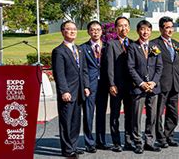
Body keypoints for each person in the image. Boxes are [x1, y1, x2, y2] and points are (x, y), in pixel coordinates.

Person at [52, 20, 90, 158]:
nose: (73, 31)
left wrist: (86, 86)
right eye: (69, 29)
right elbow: (59, 74)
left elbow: (84, 70)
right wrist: (64, 91)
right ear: (63, 32)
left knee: (75, 121)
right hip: (68, 93)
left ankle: (73, 146)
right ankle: (67, 150)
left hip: (79, 92)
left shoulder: (79, 49)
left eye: (74, 29)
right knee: (66, 122)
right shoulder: (58, 51)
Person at [127, 20, 163, 154]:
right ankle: (137, 141)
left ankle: (149, 141)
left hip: (153, 87)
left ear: (151, 31)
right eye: (142, 29)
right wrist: (141, 83)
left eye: (148, 29)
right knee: (136, 116)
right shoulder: (133, 47)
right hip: (138, 87)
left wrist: (153, 82)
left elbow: (159, 67)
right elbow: (130, 68)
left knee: (152, 115)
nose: (145, 32)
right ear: (138, 31)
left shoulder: (155, 46)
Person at [79, 21, 109, 153]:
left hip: (104, 85)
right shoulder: (83, 48)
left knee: (102, 114)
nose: (95, 32)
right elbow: (83, 70)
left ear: (102, 31)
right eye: (92, 30)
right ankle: (89, 142)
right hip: (90, 86)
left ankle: (101, 141)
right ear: (88, 32)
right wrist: (85, 86)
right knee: (88, 114)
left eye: (98, 29)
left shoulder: (107, 46)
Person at [153, 16, 179, 148]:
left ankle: (169, 135)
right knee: (159, 113)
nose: (170, 30)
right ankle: (160, 138)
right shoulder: (154, 44)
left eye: (171, 27)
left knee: (173, 113)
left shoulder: (176, 44)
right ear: (160, 29)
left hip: (175, 83)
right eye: (167, 27)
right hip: (161, 84)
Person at [106, 16, 134, 152]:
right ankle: (116, 142)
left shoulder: (134, 44)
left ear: (129, 27)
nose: (124, 28)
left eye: (126, 25)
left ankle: (129, 141)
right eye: (121, 26)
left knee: (130, 115)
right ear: (116, 29)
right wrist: (111, 84)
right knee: (115, 115)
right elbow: (109, 66)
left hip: (131, 86)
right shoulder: (111, 44)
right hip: (116, 85)